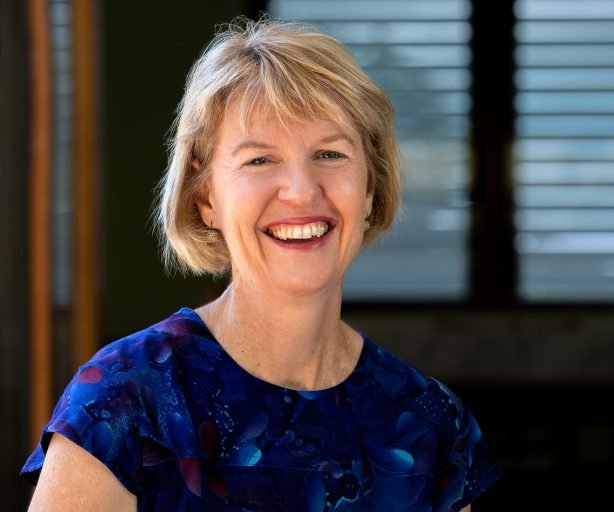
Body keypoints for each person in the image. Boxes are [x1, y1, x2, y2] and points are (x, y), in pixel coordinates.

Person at [21, 17, 499, 511]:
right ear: (205, 196)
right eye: (259, 160)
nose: (300, 191)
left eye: (330, 153)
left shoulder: (433, 426)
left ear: (371, 187)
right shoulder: (124, 401)